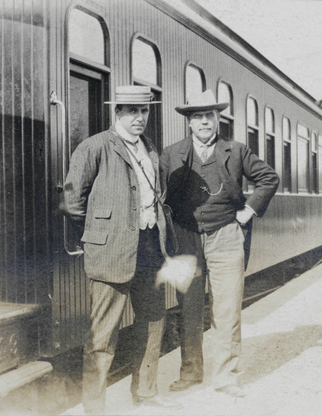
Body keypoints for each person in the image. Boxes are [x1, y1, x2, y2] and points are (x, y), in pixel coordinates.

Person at [60, 85, 181, 414]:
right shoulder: (94, 147)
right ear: (117, 113)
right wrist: (101, 233)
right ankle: (95, 407)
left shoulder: (150, 148)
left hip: (150, 247)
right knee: (103, 334)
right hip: (111, 251)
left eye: (144, 111)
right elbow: (72, 203)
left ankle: (145, 392)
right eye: (131, 111)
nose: (139, 118)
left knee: (154, 319)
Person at [160, 90, 279, 397]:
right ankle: (191, 372)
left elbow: (269, 178)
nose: (204, 122)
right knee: (187, 307)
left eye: (209, 116)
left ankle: (225, 376)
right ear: (188, 122)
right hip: (185, 237)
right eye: (197, 117)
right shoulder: (171, 154)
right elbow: (157, 192)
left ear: (217, 119)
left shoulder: (236, 150)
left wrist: (248, 210)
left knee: (226, 310)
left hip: (226, 235)